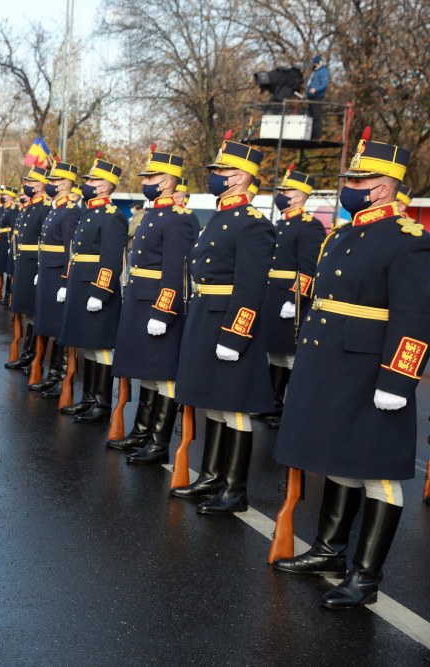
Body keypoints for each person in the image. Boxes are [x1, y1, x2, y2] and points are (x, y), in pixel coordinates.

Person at [272, 129, 430, 610]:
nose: (349, 186)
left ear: (383, 187)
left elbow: (415, 317)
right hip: (332, 365)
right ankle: (329, 551)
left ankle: (366, 577)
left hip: (371, 371)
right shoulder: (342, 234)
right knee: (339, 458)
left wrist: (398, 380)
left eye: (358, 180)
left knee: (377, 470)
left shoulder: (408, 240)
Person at [172, 132, 275, 514]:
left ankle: (235, 489)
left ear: (241, 177)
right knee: (212, 402)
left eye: (221, 170)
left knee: (234, 407)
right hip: (205, 314)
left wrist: (236, 334)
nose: (214, 175)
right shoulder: (221, 215)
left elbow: (250, 287)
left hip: (229, 322)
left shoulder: (252, 223)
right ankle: (212, 476)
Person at [109, 147, 198, 460]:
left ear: (167, 182)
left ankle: (159, 443)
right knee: (146, 369)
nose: (145, 182)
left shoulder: (178, 218)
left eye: (151, 177)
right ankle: (141, 432)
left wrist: (164, 310)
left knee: (164, 373)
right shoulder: (152, 214)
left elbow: (175, 272)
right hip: (140, 299)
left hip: (158, 304)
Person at [57, 153, 129, 422]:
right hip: (80, 284)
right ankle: (88, 398)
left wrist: (100, 292)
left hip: (95, 288)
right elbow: (75, 253)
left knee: (101, 347)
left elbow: (111, 259)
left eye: (91, 181)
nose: (86, 184)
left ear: (104, 186)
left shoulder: (112, 216)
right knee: (87, 345)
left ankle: (102, 402)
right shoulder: (90, 212)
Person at [258, 165, 324, 429]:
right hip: (271, 295)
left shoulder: (309, 226)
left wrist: (294, 299)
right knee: (275, 355)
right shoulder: (280, 223)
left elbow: (309, 268)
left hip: (290, 299)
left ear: (298, 196)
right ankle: (272, 404)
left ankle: (293, 409)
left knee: (291, 357)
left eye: (286, 191)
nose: (281, 195)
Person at [30, 161, 81, 396]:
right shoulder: (57, 208)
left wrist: (65, 282)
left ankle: (61, 377)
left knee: (60, 327)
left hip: (59, 275)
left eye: (54, 181)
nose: (49, 184)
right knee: (49, 325)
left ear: (65, 184)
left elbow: (71, 251)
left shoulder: (70, 211)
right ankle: (53, 375)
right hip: (49, 272)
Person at [4, 166, 49, 370]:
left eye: (31, 182)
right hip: (24, 262)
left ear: (40, 186)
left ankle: (36, 357)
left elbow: (46, 242)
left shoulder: (45, 207)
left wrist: (41, 269)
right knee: (26, 311)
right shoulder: (29, 207)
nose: (27, 185)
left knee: (36, 311)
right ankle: (27, 353)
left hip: (34, 264)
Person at [306, 55, 329, 140]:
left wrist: (316, 89)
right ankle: (309, 135)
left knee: (316, 117)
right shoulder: (314, 71)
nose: (314, 65)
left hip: (318, 97)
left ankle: (316, 137)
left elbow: (324, 84)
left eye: (316, 63)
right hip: (311, 97)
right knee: (310, 117)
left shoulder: (323, 71)